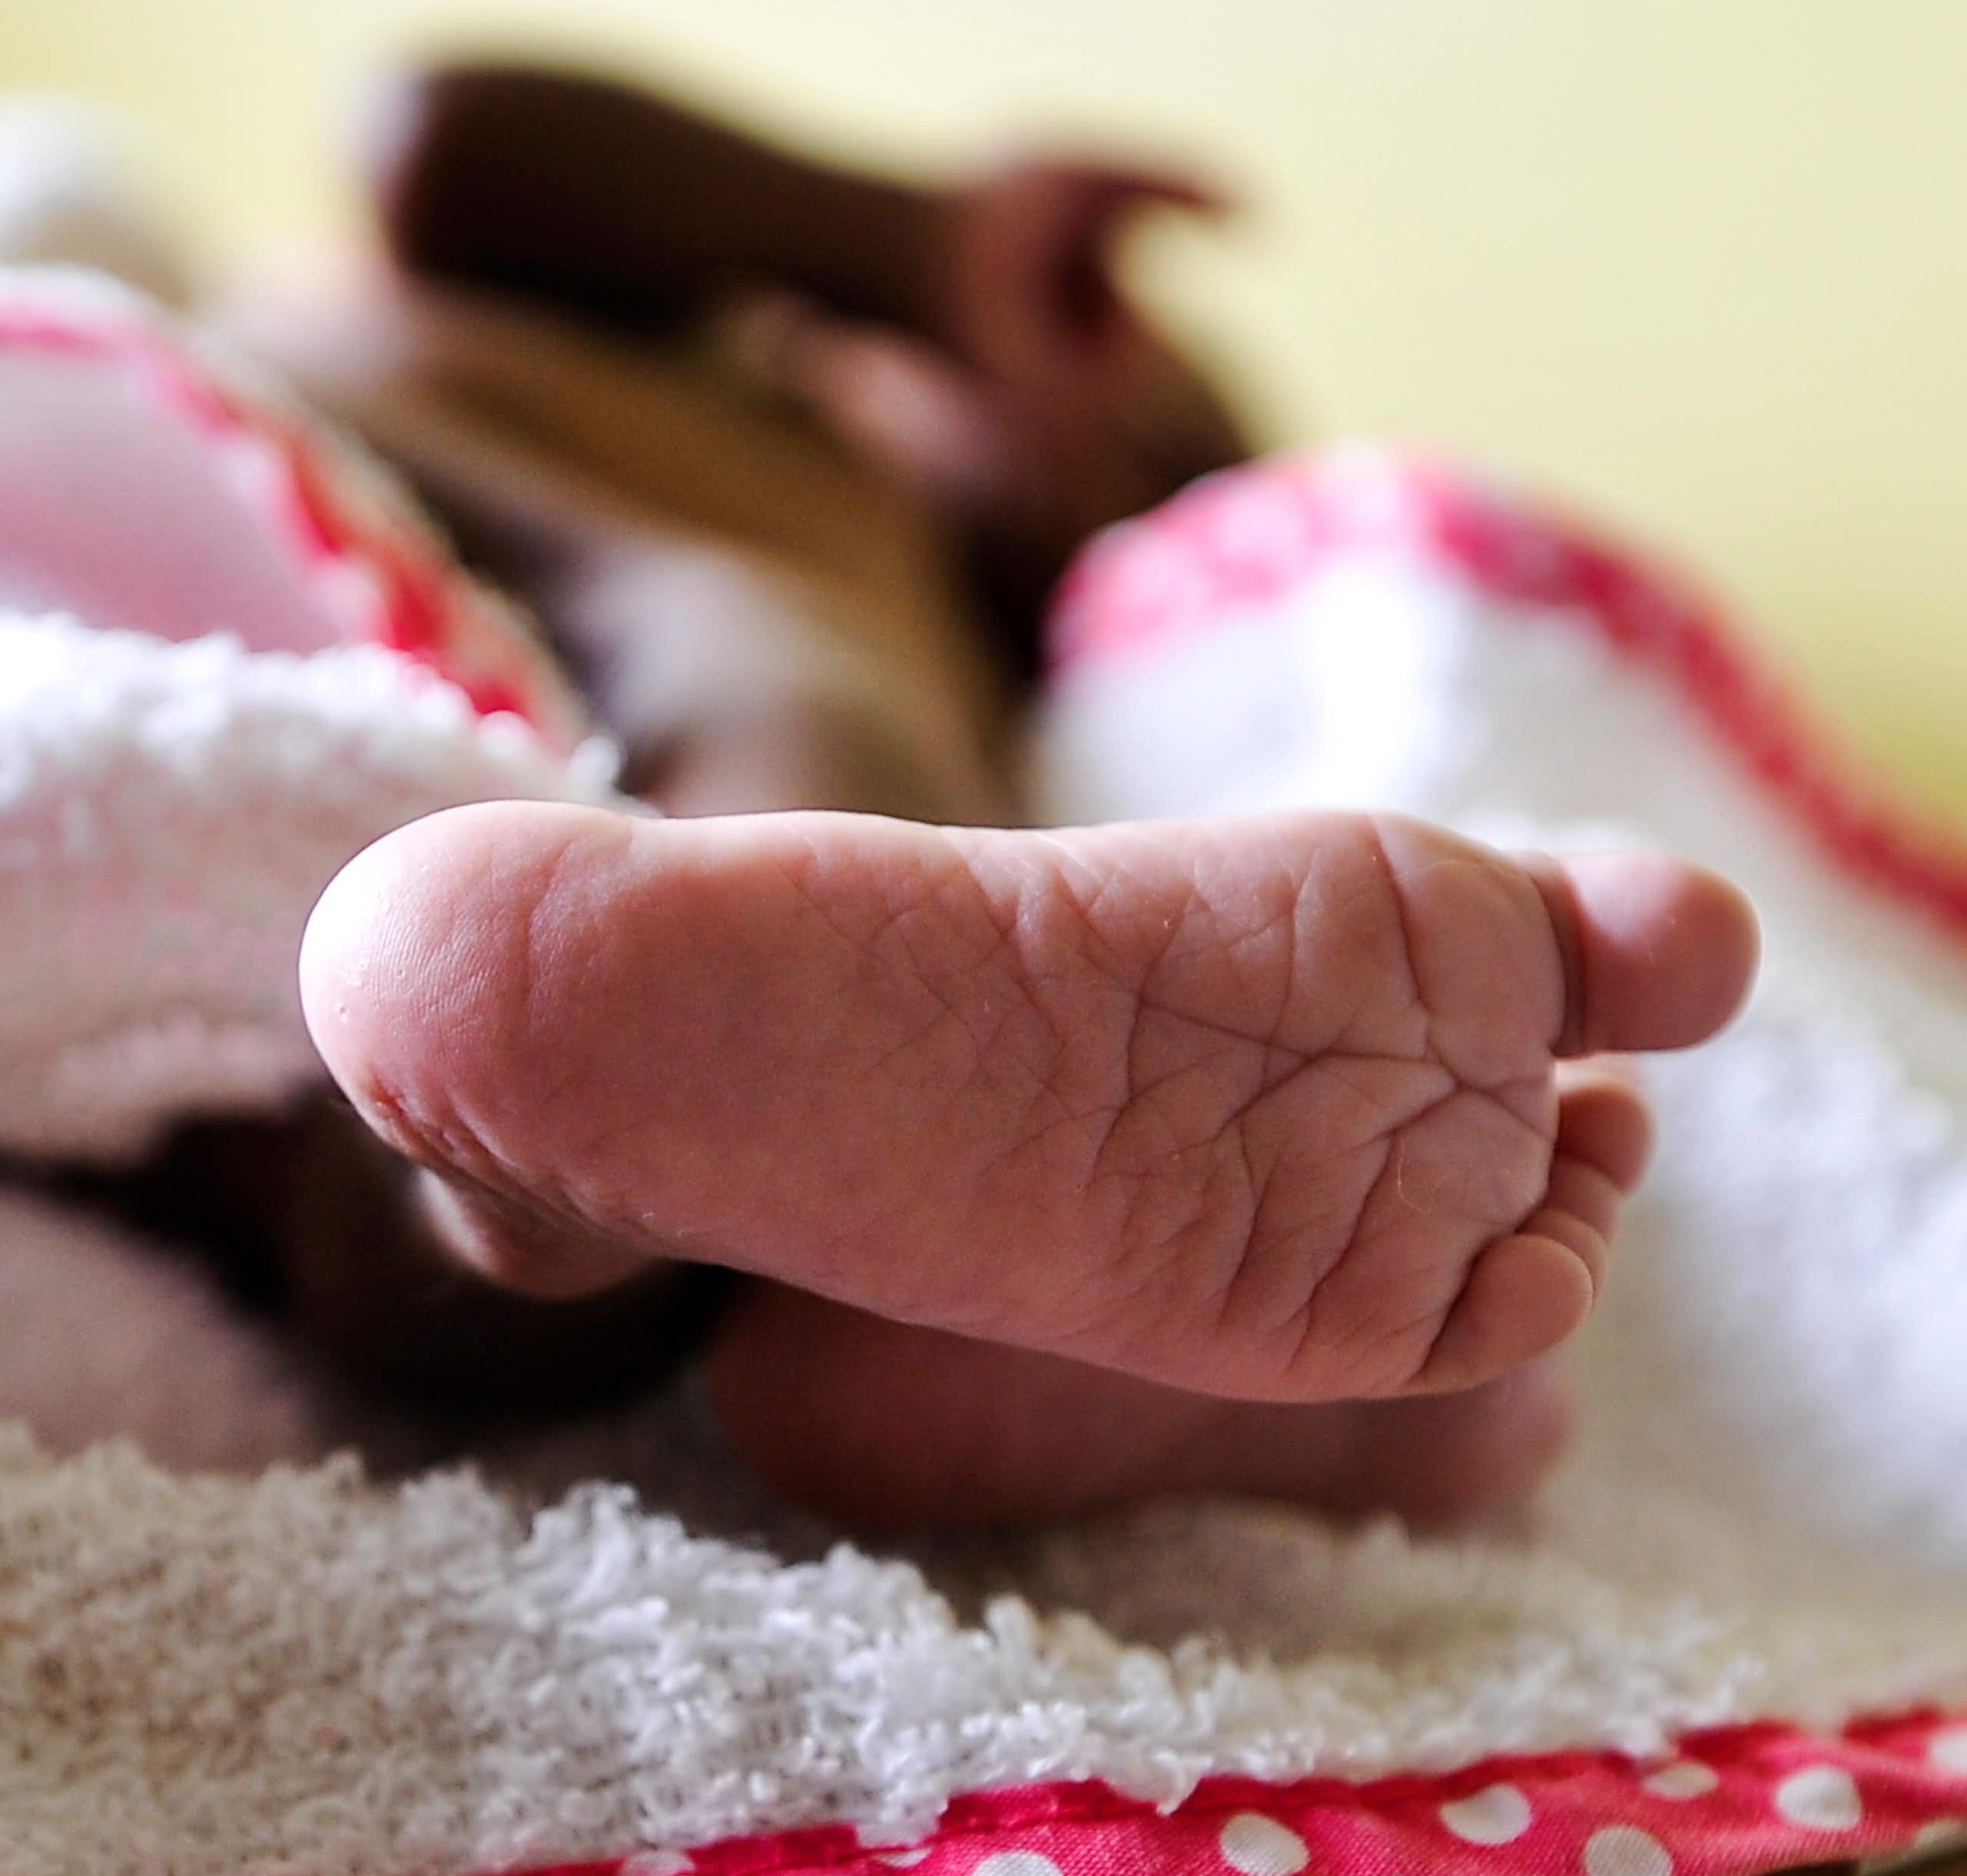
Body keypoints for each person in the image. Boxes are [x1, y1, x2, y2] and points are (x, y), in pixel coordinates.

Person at [199, 63, 1759, 1530]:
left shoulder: (913, 594)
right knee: (768, 689)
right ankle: (560, 1174)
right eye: (1108, 360)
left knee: (343, 1123)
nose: (1092, 418)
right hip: (192, 471)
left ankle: (535, 1197)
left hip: (248, 798)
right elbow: (443, 133)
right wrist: (909, 235)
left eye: (1143, 465)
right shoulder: (682, 344)